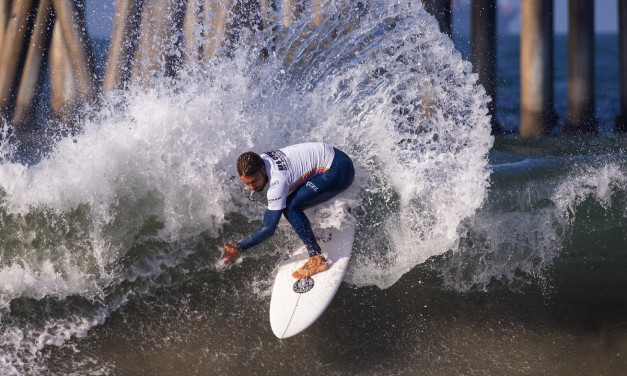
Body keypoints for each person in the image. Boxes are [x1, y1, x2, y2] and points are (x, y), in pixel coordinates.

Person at [220, 142, 355, 279]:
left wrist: (239, 247)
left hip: (340, 170)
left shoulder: (278, 181)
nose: (251, 187)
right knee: (292, 196)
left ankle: (316, 259)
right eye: (247, 183)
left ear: (262, 169)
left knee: (291, 208)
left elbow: (269, 229)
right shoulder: (262, 159)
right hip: (336, 155)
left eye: (254, 181)